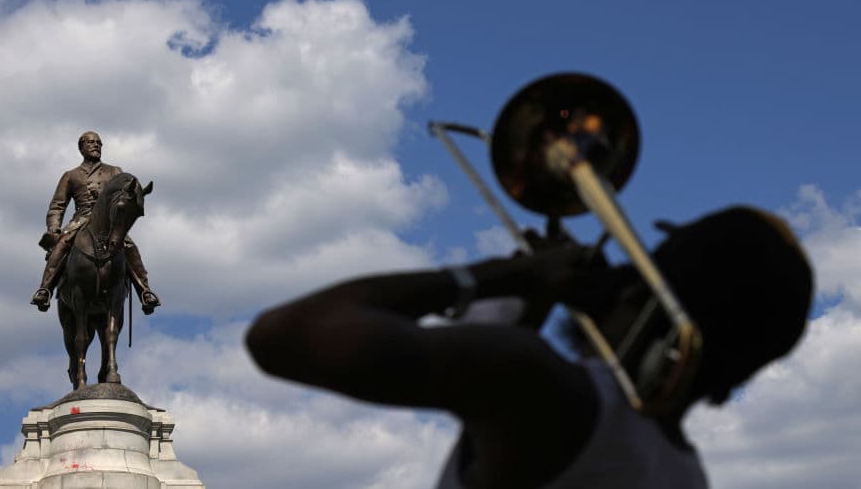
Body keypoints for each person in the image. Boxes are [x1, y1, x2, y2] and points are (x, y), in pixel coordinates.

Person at [245, 206, 813, 488]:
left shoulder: (549, 392)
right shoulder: (686, 475)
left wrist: (497, 276)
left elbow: (281, 336)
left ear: (643, 289)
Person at [30, 131, 161, 314]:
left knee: (129, 246)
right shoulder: (71, 175)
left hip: (109, 222)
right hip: (80, 220)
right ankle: (45, 289)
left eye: (99, 143)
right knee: (63, 244)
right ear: (81, 147)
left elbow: (127, 194)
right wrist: (54, 228)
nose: (96, 145)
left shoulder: (114, 171)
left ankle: (145, 291)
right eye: (91, 142)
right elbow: (57, 206)